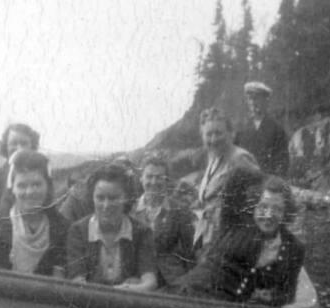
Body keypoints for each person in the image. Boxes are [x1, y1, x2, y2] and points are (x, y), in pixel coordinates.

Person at [171, 169, 304, 306]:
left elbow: (288, 294)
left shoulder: (294, 247)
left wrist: (270, 298)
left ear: (286, 212)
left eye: (277, 209)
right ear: (254, 207)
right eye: (263, 207)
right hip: (189, 293)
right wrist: (269, 179)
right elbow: (236, 176)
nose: (269, 215)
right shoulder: (235, 223)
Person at [67, 163, 157, 292]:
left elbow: (150, 282)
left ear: (126, 198)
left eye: (113, 198)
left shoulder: (142, 232)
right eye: (100, 198)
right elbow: (77, 282)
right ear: (91, 198)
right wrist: (129, 288)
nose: (106, 205)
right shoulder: (78, 231)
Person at [191, 106, 259, 253]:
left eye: (218, 133)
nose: (213, 139)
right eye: (208, 134)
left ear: (231, 134)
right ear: (202, 136)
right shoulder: (214, 157)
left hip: (232, 241)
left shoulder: (239, 158)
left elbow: (259, 195)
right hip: (211, 238)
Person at [132, 154, 194, 286]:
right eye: (149, 176)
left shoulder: (180, 211)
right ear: (141, 179)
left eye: (159, 177)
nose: (153, 182)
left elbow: (189, 253)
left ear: (167, 180)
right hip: (137, 277)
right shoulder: (130, 210)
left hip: (170, 280)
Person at [235, 81, 289, 177]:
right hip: (244, 180)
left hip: (267, 181)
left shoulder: (276, 129)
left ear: (265, 100)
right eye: (249, 99)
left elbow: (283, 162)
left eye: (256, 99)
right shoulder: (241, 128)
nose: (252, 103)